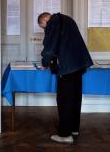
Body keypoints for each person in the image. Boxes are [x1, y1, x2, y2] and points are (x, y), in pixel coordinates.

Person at [38, 12, 93, 145]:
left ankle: (65, 134)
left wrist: (45, 62)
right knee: (75, 98)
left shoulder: (53, 22)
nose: (45, 30)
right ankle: (74, 129)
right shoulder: (67, 19)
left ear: (45, 19)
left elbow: (51, 46)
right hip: (79, 65)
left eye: (43, 27)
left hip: (67, 67)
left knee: (65, 100)